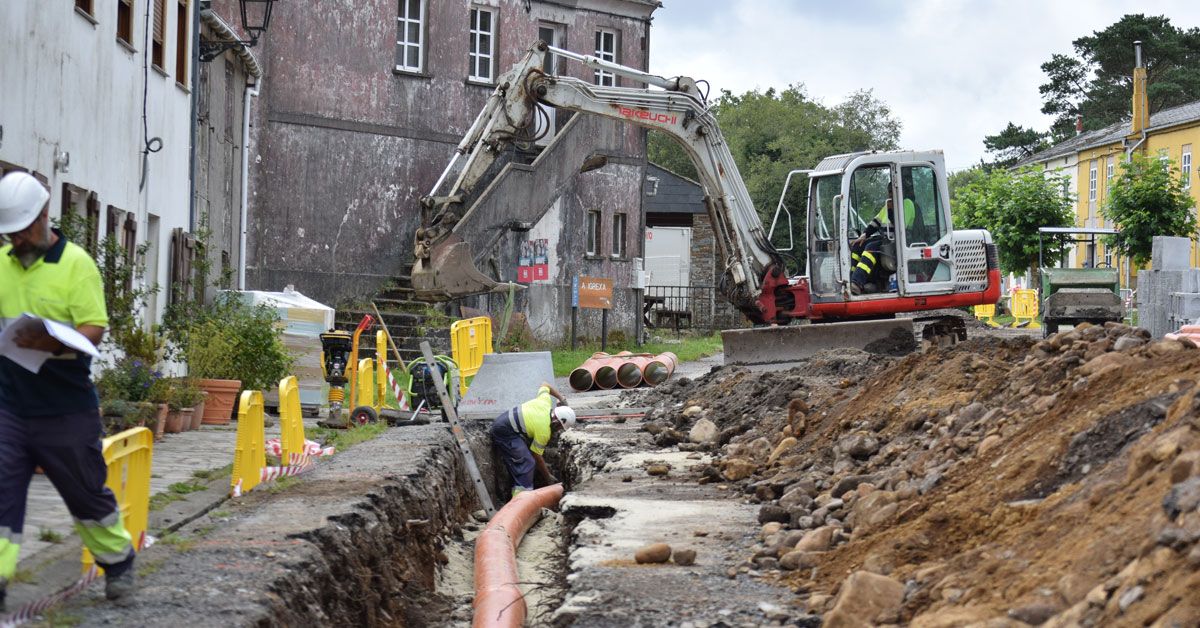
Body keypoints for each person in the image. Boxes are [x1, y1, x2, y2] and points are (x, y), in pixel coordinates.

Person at [0, 172, 137, 609]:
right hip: (9, 405)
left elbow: (93, 327)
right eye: (11, 233)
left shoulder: (76, 264)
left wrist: (52, 341)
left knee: (85, 492)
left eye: (24, 229)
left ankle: (117, 562)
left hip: (64, 407)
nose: (18, 239)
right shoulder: (2, 264)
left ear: (44, 216)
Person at [490, 381, 576, 497]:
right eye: (560, 427)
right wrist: (548, 476)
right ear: (556, 421)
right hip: (504, 432)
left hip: (505, 423)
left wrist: (561, 398)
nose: (558, 430)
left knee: (524, 456)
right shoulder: (543, 431)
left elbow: (545, 384)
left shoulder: (545, 402)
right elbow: (536, 455)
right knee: (527, 462)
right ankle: (521, 497)